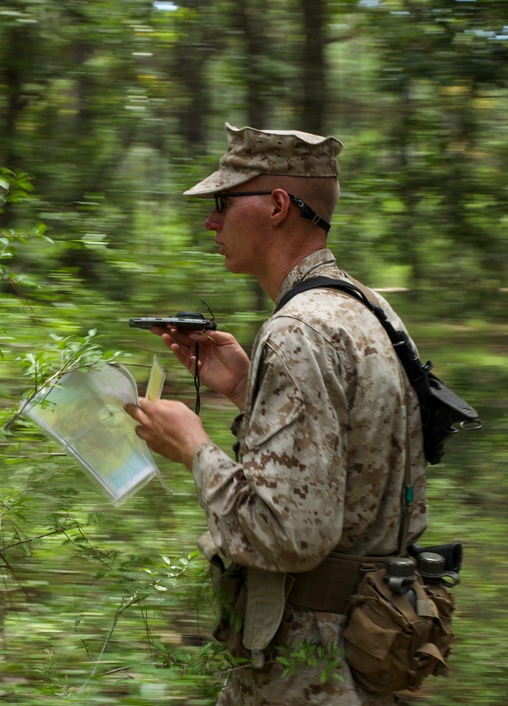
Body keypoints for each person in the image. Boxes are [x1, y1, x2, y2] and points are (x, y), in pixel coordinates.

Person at [124, 125, 428, 705]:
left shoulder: (297, 332)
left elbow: (290, 536)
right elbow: (357, 456)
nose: (210, 222)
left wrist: (193, 446)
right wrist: (245, 389)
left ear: (278, 206)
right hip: (376, 645)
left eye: (222, 202)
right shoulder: (368, 308)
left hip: (310, 666)